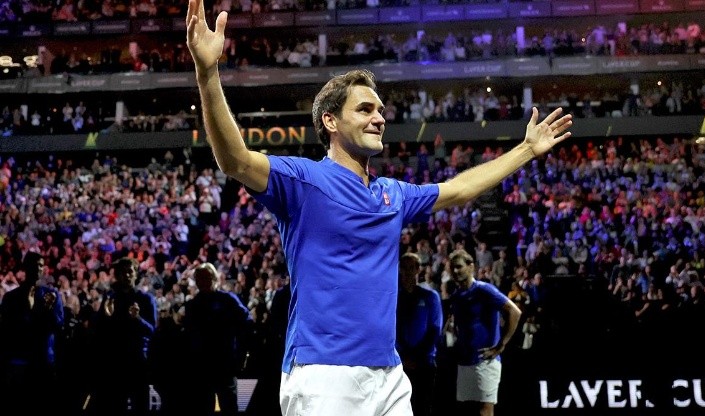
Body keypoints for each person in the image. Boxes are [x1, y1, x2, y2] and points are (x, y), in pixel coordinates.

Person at [185, 1, 572, 414]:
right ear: (331, 122)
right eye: (365, 109)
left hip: (389, 376)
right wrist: (208, 72)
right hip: (323, 374)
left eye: (381, 111)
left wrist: (527, 150)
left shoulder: (393, 194)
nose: (379, 118)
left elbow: (460, 188)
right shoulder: (303, 181)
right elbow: (236, 160)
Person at [447, 249, 522, 416]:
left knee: (485, 411)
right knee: (467, 410)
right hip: (465, 360)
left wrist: (501, 344)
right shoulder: (456, 296)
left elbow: (514, 312)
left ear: (471, 266)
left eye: (459, 266)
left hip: (485, 361)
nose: (455, 271)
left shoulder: (484, 289)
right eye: (452, 267)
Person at [89, 257, 157, 416]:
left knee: (141, 406)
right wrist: (106, 316)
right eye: (122, 272)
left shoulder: (146, 299)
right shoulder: (110, 298)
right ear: (118, 275)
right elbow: (98, 329)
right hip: (115, 363)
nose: (126, 275)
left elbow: (152, 331)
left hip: (138, 361)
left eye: (130, 272)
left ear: (135, 274)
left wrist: (138, 318)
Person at [182, 262, 252, 416]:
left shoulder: (228, 300)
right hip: (201, 365)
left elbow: (246, 323)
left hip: (225, 363)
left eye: (206, 278)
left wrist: (241, 353)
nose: (202, 282)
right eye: (199, 279)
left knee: (229, 406)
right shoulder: (192, 306)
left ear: (214, 278)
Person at [0, 251, 64, 415]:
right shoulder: (11, 298)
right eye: (34, 265)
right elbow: (7, 330)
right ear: (25, 267)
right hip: (19, 363)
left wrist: (46, 310)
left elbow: (58, 326)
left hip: (43, 362)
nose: (37, 269)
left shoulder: (52, 296)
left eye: (41, 265)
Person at [396, 253, 443, 416]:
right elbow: (392, 330)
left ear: (418, 269)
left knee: (423, 407)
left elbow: (435, 329)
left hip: (425, 363)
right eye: (404, 267)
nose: (408, 272)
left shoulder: (430, 296)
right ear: (399, 269)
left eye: (411, 267)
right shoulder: (394, 297)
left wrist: (417, 357)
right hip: (400, 364)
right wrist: (403, 357)